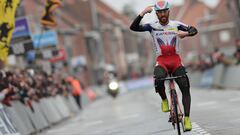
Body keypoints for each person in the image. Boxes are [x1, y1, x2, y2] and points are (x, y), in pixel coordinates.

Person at [130, 0, 198, 131]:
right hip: (162, 61)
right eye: (160, 12)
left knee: (185, 87)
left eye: (164, 12)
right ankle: (164, 100)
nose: (162, 15)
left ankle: (187, 119)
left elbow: (194, 30)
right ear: (156, 13)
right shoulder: (152, 26)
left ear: (168, 11)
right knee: (159, 78)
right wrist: (143, 13)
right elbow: (133, 27)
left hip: (176, 61)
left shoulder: (176, 24)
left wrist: (187, 33)